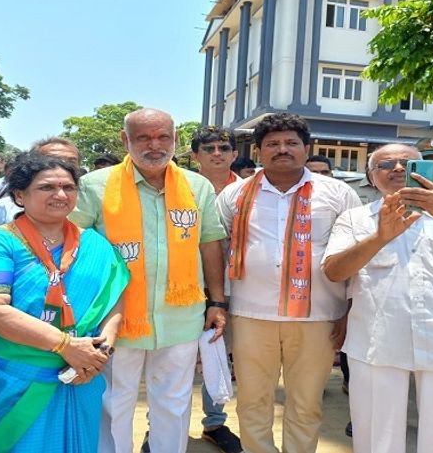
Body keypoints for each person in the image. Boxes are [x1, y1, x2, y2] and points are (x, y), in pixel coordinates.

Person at [322, 143, 433, 453]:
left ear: (428, 172)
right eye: (385, 164)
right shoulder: (356, 218)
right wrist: (379, 238)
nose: (397, 169)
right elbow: (334, 271)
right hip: (377, 343)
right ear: (371, 177)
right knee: (376, 436)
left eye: (407, 163)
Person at [70, 108, 228, 453]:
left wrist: (217, 301)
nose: (154, 145)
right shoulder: (95, 186)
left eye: (163, 137)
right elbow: (73, 245)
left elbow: (209, 243)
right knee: (113, 403)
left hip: (180, 316)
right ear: (125, 140)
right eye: (143, 137)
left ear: (176, 140)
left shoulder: (197, 186)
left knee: (174, 403)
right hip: (115, 318)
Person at [0, 153, 128, 452]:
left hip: (82, 372)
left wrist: (102, 350)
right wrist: (65, 346)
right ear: (20, 195)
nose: (60, 195)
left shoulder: (95, 244)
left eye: (68, 187)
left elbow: (114, 297)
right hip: (11, 374)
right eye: (47, 187)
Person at [216, 113, 361, 453]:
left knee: (306, 404)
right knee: (252, 403)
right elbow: (218, 248)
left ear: (306, 148)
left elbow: (355, 255)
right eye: (273, 144)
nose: (283, 149)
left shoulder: (338, 193)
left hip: (318, 316)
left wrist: (349, 310)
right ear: (258, 150)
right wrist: (218, 303)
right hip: (251, 315)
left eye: (291, 143)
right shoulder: (234, 194)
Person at [185, 124, 243, 452]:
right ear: (195, 156)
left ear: (235, 154)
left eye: (224, 148)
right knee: (171, 360)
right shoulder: (179, 186)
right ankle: (158, 424)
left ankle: (215, 422)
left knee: (217, 353)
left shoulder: (249, 189)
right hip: (185, 285)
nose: (217, 154)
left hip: (233, 287)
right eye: (209, 149)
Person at [304, 151, 354, 437]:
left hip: (334, 298)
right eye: (314, 172)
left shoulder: (345, 200)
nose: (320, 178)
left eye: (325, 172)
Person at [0, 137, 80, 233]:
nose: (62, 166)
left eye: (71, 162)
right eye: (53, 160)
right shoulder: (1, 208)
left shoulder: (89, 202)